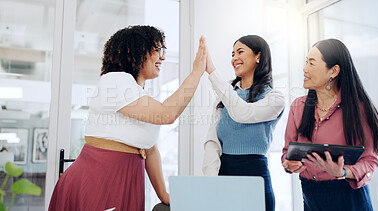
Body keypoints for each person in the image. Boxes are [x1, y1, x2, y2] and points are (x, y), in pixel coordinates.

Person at [49, 25, 206, 211]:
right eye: (157, 50)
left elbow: (150, 150)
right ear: (133, 51)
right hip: (100, 179)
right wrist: (197, 72)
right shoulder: (115, 81)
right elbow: (167, 114)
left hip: (124, 178)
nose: (162, 57)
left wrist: (162, 194)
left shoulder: (137, 94)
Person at [281, 38, 378, 211]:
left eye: (311, 63)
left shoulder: (359, 109)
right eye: (306, 62)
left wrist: (342, 172)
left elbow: (370, 161)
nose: (304, 69)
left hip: (347, 197)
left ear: (334, 71)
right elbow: (287, 153)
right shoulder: (298, 107)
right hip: (310, 196)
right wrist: (290, 163)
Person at [202, 35, 285, 211]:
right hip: (224, 176)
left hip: (255, 177)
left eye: (240, 52)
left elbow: (243, 113)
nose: (234, 58)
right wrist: (210, 182)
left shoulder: (275, 99)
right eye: (232, 54)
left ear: (258, 56)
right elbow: (212, 141)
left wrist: (212, 71)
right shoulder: (223, 96)